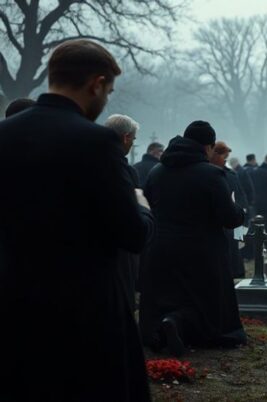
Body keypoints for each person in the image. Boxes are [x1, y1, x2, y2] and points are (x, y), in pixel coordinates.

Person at [0, 39, 154, 401]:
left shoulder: (4, 136)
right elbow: (132, 234)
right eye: (109, 91)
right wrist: (143, 207)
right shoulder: (97, 142)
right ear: (96, 84)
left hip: (13, 302)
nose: (105, 100)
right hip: (85, 308)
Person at [139, 121, 246, 357]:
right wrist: (239, 209)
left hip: (161, 247)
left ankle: (163, 327)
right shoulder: (212, 174)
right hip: (201, 250)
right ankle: (178, 324)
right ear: (208, 147)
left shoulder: (157, 171)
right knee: (202, 300)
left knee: (167, 295)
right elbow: (229, 218)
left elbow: (146, 204)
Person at [104, 113, 143, 312]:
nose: (132, 144)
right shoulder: (125, 170)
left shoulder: (87, 160)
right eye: (133, 139)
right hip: (120, 249)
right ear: (126, 137)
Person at [211, 141, 248, 278]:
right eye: (223, 156)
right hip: (217, 223)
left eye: (226, 157)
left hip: (231, 222)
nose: (225, 160)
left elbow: (240, 198)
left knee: (232, 254)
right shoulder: (211, 174)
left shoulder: (231, 175)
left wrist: (242, 224)